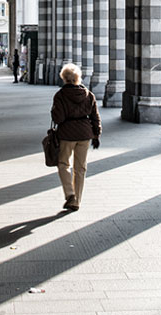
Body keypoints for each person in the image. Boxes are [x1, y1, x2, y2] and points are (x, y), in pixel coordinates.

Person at [51, 62, 101, 211]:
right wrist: (97, 134)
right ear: (78, 78)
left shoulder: (60, 95)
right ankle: (77, 200)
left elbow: (58, 119)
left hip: (67, 134)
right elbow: (95, 116)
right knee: (80, 168)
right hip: (85, 134)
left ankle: (70, 194)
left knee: (63, 164)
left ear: (64, 78)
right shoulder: (88, 94)